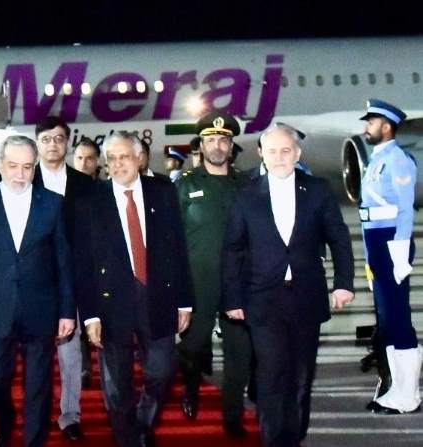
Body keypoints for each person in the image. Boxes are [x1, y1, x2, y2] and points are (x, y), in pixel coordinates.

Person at [222, 123, 354, 447]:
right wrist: (232, 298)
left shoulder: (318, 190)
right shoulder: (245, 194)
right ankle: (273, 438)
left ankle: (293, 436)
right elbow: (233, 249)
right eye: (272, 151)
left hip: (306, 297)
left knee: (301, 375)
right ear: (261, 154)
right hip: (262, 298)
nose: (279, 157)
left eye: (285, 151)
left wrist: (343, 283)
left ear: (297, 153)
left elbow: (338, 238)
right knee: (271, 373)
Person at [0, 135, 76, 447]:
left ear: (35, 167)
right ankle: (5, 421)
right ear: (0, 165)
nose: (20, 174)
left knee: (39, 386)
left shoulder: (53, 203)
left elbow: (64, 263)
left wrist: (67, 312)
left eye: (27, 167)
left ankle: (34, 440)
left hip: (41, 308)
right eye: (13, 166)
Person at [75, 131, 193, 447]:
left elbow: (178, 248)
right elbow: (82, 264)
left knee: (162, 371)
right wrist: (89, 316)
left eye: (124, 157)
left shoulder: (163, 192)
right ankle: (127, 438)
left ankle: (143, 420)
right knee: (117, 385)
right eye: (111, 159)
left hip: (159, 297)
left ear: (139, 158)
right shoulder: (90, 201)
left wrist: (184, 301)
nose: (117, 164)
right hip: (110, 304)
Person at [175, 112, 252, 438]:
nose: (217, 146)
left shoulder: (247, 185)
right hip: (199, 284)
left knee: (239, 355)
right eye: (211, 140)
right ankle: (191, 386)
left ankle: (232, 417)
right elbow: (172, 240)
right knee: (193, 348)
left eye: (223, 140)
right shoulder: (185, 185)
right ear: (201, 146)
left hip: (239, 286)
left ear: (231, 146)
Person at [358, 99, 421, 414]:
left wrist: (399, 251)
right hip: (377, 243)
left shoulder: (397, 159)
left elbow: (405, 208)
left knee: (398, 318)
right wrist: (369, 257)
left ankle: (408, 395)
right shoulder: (376, 160)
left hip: (391, 241)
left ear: (386, 126)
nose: (366, 128)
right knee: (388, 320)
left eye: (371, 122)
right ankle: (396, 389)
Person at [33, 116, 94, 441]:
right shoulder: (24, 180)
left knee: (71, 353)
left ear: (67, 142)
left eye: (59, 138)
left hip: (76, 280)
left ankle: (70, 415)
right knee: (37, 354)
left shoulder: (86, 184)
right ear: (37, 143)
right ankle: (37, 414)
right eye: (46, 139)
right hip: (36, 282)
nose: (53, 144)